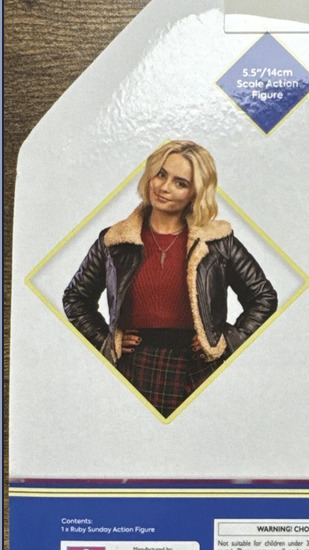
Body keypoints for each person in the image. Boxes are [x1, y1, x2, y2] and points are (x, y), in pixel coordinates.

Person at [63, 140, 277, 416]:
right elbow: (75, 298)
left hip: (200, 368)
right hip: (135, 367)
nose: (164, 187)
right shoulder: (114, 240)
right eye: (161, 174)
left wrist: (227, 340)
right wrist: (107, 340)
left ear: (195, 193)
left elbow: (263, 297)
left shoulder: (217, 241)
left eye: (180, 183)